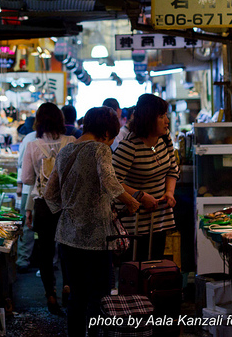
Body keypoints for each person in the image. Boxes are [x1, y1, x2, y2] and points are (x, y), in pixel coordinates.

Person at [44, 106, 141, 337]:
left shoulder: (65, 151)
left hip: (67, 236)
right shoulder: (100, 149)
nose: (111, 142)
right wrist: (131, 202)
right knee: (99, 296)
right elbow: (109, 181)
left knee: (77, 296)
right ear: (106, 132)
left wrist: (70, 210)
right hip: (97, 238)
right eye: (112, 137)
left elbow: (49, 194)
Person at [22, 102, 76, 313]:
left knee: (45, 252)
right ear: (60, 120)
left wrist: (28, 210)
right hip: (68, 204)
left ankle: (50, 295)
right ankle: (68, 286)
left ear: (39, 121)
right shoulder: (71, 142)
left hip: (43, 204)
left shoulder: (33, 146)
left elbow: (27, 179)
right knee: (68, 249)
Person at [112, 94, 179, 261]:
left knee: (155, 267)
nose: (167, 121)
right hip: (135, 222)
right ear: (148, 119)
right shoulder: (129, 146)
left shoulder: (165, 137)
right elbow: (112, 182)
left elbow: (172, 169)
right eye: (161, 116)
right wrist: (140, 196)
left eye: (166, 115)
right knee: (136, 267)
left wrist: (169, 193)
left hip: (160, 217)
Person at [15, 119, 37, 273]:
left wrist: (19, 185)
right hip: (51, 191)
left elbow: (21, 164)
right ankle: (51, 261)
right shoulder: (62, 138)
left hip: (29, 188)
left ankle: (23, 260)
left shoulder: (29, 137)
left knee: (27, 225)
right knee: (49, 228)